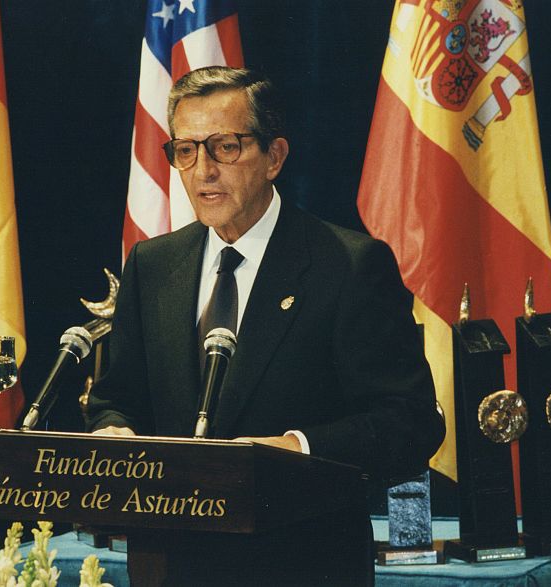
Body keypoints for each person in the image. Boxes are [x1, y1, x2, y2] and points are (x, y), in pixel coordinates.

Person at [85, 66, 444, 585]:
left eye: (224, 147)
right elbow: (118, 396)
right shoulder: (152, 264)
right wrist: (114, 428)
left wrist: (297, 449)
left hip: (302, 565)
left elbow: (410, 420)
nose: (202, 170)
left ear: (274, 156)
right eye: (185, 150)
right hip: (170, 566)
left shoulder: (346, 264)